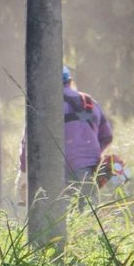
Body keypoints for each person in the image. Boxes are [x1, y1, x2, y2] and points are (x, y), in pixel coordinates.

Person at [17, 66, 113, 210]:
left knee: (57, 215)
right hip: (88, 170)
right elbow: (107, 136)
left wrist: (24, 170)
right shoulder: (88, 102)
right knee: (87, 215)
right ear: (69, 81)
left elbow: (27, 143)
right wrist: (90, 155)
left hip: (54, 171)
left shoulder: (42, 105)